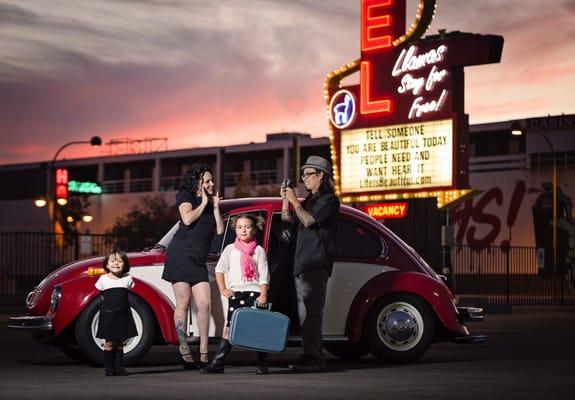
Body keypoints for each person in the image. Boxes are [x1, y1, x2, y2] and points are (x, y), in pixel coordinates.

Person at [162, 164, 224, 369]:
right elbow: (187, 219)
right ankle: (184, 347)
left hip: (198, 260)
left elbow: (219, 231)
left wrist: (214, 206)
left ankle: (204, 352)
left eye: (212, 180)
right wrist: (204, 201)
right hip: (180, 256)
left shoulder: (211, 202)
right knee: (184, 303)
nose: (211, 184)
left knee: (205, 303)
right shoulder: (185, 196)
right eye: (207, 180)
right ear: (197, 182)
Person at [281, 155, 340, 372]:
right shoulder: (310, 201)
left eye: (308, 174)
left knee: (312, 314)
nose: (304, 179)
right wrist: (286, 200)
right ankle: (309, 355)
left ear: (321, 175)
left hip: (315, 263)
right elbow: (288, 218)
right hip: (302, 264)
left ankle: (316, 358)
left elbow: (308, 220)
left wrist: (295, 201)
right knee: (305, 314)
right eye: (302, 175)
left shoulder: (329, 200)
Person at [201, 213, 270, 374]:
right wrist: (223, 289)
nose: (243, 230)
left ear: (254, 230)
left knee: (257, 328)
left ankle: (262, 363)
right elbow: (219, 270)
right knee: (229, 328)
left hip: (254, 294)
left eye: (247, 227)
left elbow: (264, 274)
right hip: (236, 294)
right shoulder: (230, 249)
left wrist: (263, 294)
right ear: (235, 230)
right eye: (239, 227)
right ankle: (218, 363)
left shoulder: (258, 250)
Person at [95, 248, 137, 376]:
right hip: (108, 315)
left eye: (120, 261)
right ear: (107, 265)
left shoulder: (128, 279)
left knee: (120, 342)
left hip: (123, 314)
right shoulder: (103, 279)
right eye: (113, 261)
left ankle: (119, 367)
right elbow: (101, 295)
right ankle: (108, 367)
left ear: (125, 264)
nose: (116, 263)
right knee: (109, 342)